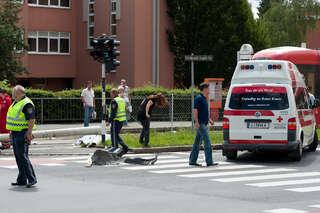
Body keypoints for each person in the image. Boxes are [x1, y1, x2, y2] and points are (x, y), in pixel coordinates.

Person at [6, 85, 37, 188]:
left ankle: (32, 179)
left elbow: (31, 119)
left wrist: (29, 132)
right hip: (16, 133)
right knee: (19, 157)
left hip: (22, 133)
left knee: (23, 156)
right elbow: (14, 118)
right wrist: (11, 131)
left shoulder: (27, 103)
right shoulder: (17, 102)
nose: (12, 94)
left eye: (13, 92)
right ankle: (22, 179)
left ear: (18, 93)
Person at [189, 82, 218, 167]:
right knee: (207, 142)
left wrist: (209, 120)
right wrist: (196, 122)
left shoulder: (204, 98)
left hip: (203, 123)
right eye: (208, 88)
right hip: (200, 124)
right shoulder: (199, 98)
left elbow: (203, 112)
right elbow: (195, 110)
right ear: (205, 89)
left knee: (197, 143)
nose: (209, 90)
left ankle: (192, 160)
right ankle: (209, 161)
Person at [106, 88, 129, 153]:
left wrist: (109, 121)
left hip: (116, 121)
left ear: (113, 94)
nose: (110, 95)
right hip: (121, 120)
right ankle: (124, 147)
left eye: (110, 94)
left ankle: (114, 147)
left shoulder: (114, 101)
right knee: (116, 134)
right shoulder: (122, 100)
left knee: (113, 134)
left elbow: (113, 113)